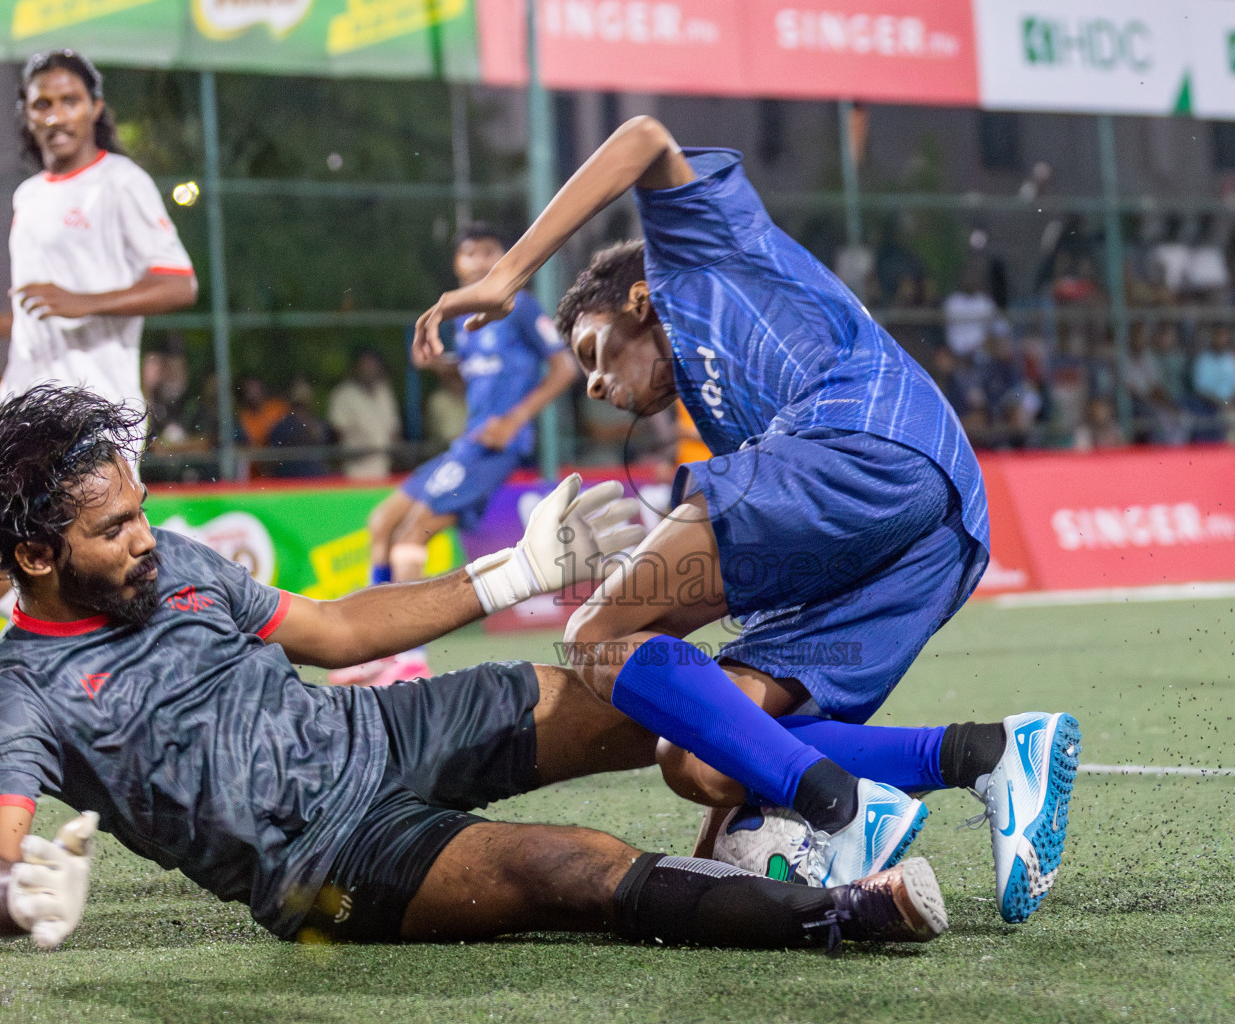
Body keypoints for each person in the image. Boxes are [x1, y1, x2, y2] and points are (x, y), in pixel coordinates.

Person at [0, 384, 946, 952]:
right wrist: (14, 891)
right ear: (38, 555)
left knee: (649, 691)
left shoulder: (179, 561)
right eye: (114, 528)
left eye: (140, 508)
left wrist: (517, 570)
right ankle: (846, 910)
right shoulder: (12, 697)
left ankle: (913, 772)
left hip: (378, 730)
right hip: (321, 869)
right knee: (576, 865)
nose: (145, 538)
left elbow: (334, 630)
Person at [412, 117, 1080, 923]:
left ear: (637, 300)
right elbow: (713, 710)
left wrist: (508, 275)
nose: (592, 384)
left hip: (866, 439)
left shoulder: (692, 248)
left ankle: (843, 810)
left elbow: (643, 137)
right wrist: (707, 882)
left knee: (593, 631)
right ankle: (992, 753)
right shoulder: (727, 417)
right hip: (936, 533)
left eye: (594, 352)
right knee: (702, 756)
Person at [0, 50, 197, 613]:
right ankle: (41, 639)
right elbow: (45, 302)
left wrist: (84, 301)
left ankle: (176, 655)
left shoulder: (120, 182)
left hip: (95, 405)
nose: (56, 115)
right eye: (43, 104)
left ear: (95, 108)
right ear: (27, 114)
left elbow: (179, 283)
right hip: (20, 404)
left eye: (70, 101)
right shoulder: (29, 195)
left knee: (100, 558)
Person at [331, 224, 576, 687]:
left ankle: (408, 659)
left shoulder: (521, 308)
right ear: (458, 265)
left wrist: (514, 419)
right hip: (465, 444)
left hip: (492, 448)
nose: (480, 261)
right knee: (382, 523)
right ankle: (375, 646)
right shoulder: (466, 323)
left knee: (412, 533)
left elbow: (566, 366)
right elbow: (477, 374)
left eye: (489, 251)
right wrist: (441, 366)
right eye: (469, 254)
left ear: (504, 256)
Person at [327, 347, 400, 480]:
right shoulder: (343, 394)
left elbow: (394, 430)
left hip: (385, 468)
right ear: (356, 367)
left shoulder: (384, 391)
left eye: (372, 365)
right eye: (365, 365)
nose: (369, 369)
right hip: (355, 470)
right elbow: (337, 434)